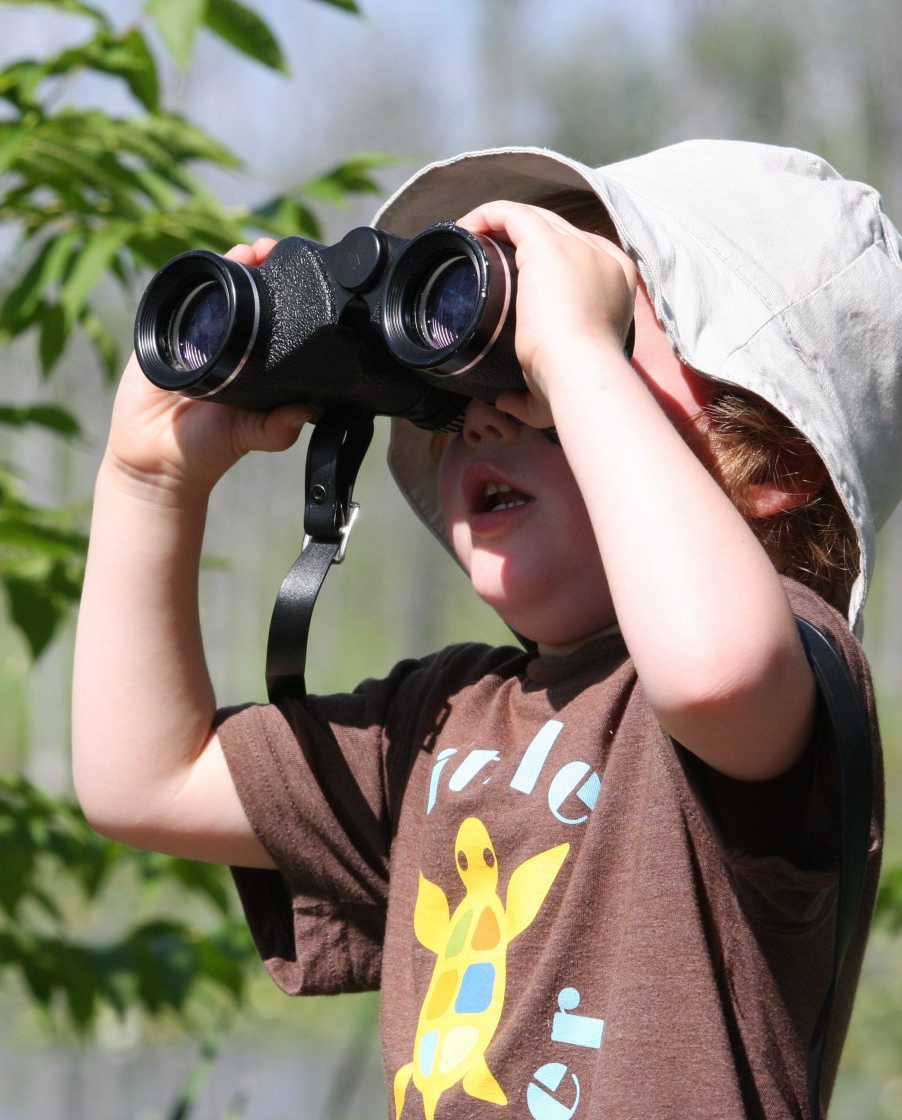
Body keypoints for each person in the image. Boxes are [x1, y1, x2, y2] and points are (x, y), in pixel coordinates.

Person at [71, 141, 898, 1119]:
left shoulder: (781, 682)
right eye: (491, 361)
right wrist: (149, 480)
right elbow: (146, 779)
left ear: (773, 466)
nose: (485, 416)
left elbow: (711, 665)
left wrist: (573, 353)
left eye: (608, 328)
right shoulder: (445, 719)